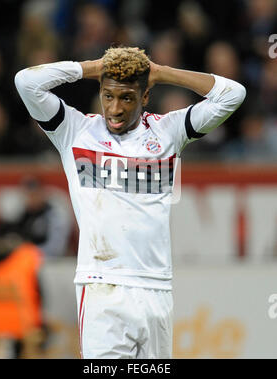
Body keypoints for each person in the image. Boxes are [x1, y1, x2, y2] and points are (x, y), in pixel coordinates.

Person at [14, 46, 246, 359]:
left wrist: (162, 72)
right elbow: (26, 82)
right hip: (100, 286)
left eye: (127, 97)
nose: (115, 108)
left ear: (146, 96)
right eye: (108, 96)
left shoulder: (169, 132)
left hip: (156, 286)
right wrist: (92, 67)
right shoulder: (75, 131)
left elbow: (233, 94)